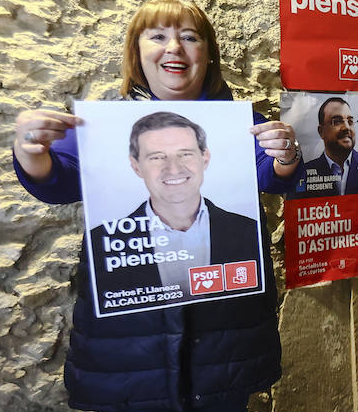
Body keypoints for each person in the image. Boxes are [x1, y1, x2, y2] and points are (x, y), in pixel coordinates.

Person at [13, 0, 303, 412]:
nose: (175, 48)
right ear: (138, 54)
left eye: (191, 36)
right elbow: (56, 183)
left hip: (223, 325)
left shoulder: (238, 123)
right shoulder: (106, 125)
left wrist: (284, 156)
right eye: (159, 37)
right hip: (132, 336)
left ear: (208, 53)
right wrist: (28, 149)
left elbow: (277, 178)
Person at [92, 111, 262, 301]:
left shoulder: (248, 230)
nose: (173, 169)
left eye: (185, 154)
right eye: (157, 157)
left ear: (204, 158)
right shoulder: (100, 241)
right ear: (136, 166)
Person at [293, 96, 358, 197]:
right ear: (321, 131)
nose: (346, 127)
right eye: (337, 121)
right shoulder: (304, 172)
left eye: (350, 121)